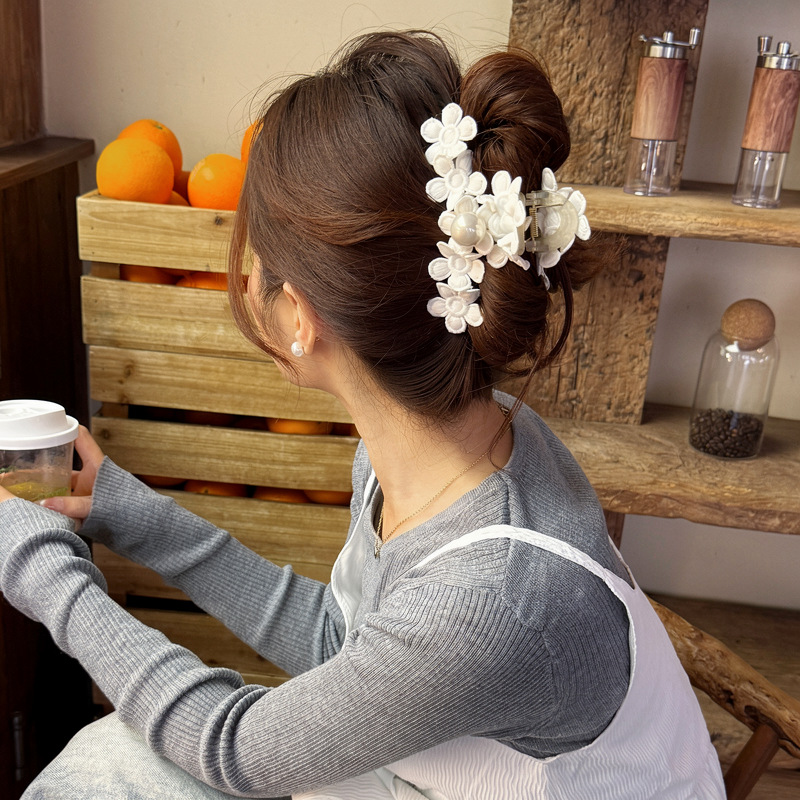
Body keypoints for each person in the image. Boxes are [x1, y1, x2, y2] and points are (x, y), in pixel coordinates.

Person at [0, 30, 725, 800]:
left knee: (112, 765)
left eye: (256, 261)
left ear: (300, 315)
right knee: (115, 757)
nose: (245, 283)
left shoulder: (494, 596)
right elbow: (347, 646)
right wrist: (133, 515)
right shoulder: (451, 438)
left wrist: (41, 572)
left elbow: (233, 749)